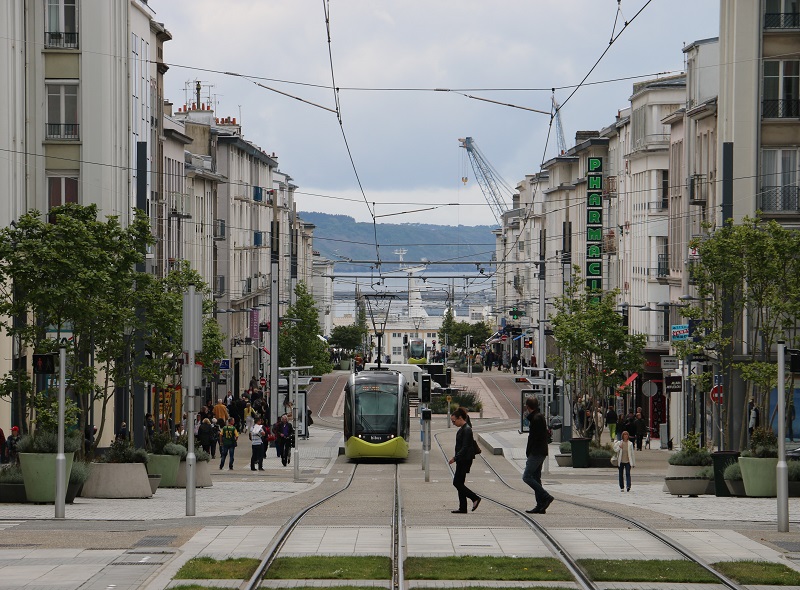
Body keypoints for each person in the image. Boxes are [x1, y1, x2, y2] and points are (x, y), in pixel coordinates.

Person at [522, 397, 554, 514]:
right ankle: (540, 505)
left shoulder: (536, 418)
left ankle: (546, 496)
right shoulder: (538, 417)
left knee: (527, 477)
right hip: (539, 452)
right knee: (535, 477)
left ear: (527, 406)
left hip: (536, 453)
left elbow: (535, 438)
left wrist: (529, 452)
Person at [448, 407, 481, 513]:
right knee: (460, 482)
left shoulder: (467, 429)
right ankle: (463, 507)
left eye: (454, 421)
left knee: (457, 483)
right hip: (462, 459)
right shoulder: (463, 428)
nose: (453, 423)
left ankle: (475, 498)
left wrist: (455, 458)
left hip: (465, 459)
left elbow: (465, 446)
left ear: (460, 418)